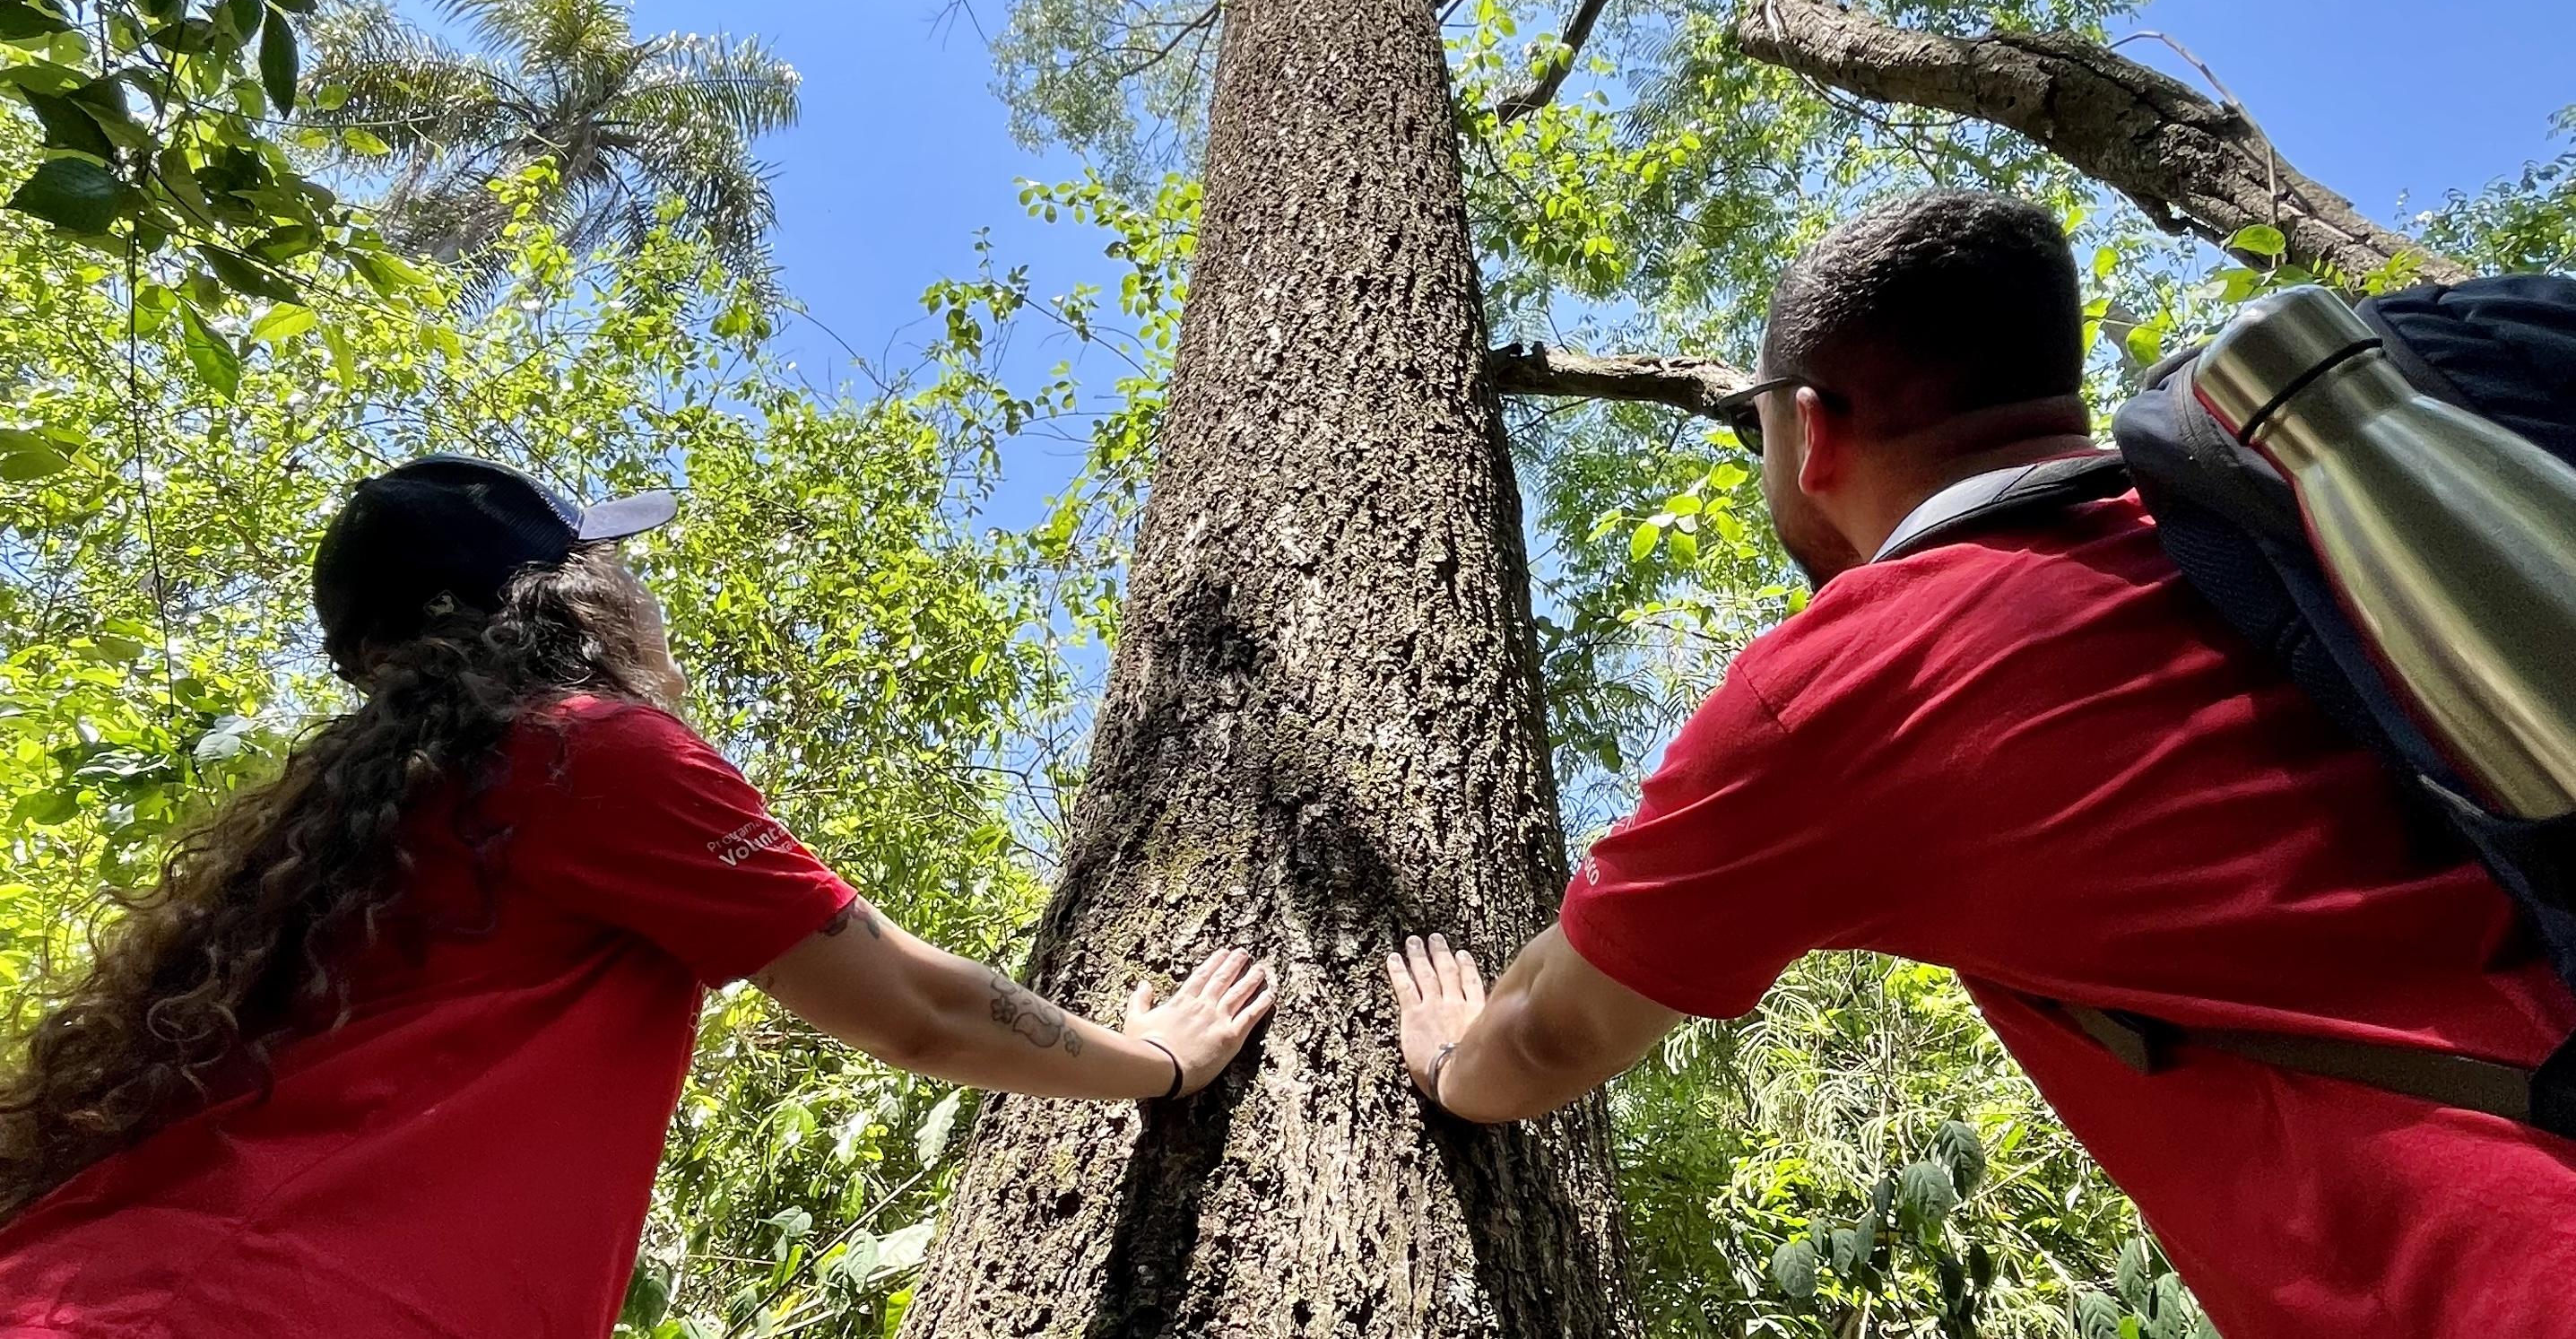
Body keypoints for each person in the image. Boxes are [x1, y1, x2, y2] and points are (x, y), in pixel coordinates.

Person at [1389, 190, 2576, 1337]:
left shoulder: (1844, 687)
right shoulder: (2279, 527)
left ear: (1810, 429)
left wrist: (1449, 1065)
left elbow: (1549, 1038)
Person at [0, 456, 1271, 1338]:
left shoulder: (362, 826)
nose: (647, 598)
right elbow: (912, 1007)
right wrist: (1156, 1063)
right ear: (575, 594)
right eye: (620, 569)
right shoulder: (582, 754)